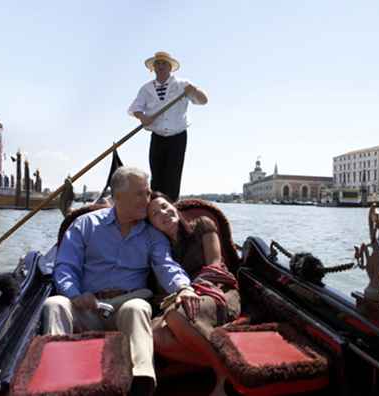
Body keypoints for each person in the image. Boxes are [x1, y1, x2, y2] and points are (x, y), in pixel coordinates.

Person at [41, 167, 200, 395]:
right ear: (117, 197)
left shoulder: (152, 235)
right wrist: (74, 294)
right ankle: (57, 380)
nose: (147, 199)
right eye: (140, 194)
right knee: (54, 304)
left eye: (147, 193)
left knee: (138, 308)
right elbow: (65, 266)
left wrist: (183, 287)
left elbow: (166, 266)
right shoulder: (85, 225)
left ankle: (142, 381)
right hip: (86, 307)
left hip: (124, 309)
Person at [147, 192, 240, 396]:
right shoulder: (159, 249)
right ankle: (231, 365)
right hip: (183, 300)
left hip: (217, 290)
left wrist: (191, 291)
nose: (162, 213)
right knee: (154, 334)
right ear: (151, 224)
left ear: (173, 206)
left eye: (164, 206)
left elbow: (215, 265)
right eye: (154, 214)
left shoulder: (202, 224)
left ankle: (223, 375)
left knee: (175, 315)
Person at [128, 51, 208, 202]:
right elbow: (135, 108)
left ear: (170, 67)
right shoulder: (146, 89)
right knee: (156, 176)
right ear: (153, 68)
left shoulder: (183, 85)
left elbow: (203, 100)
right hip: (157, 137)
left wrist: (195, 90)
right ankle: (156, 207)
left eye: (164, 63)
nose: (160, 66)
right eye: (157, 64)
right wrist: (143, 117)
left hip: (177, 136)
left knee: (173, 175)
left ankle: (171, 206)